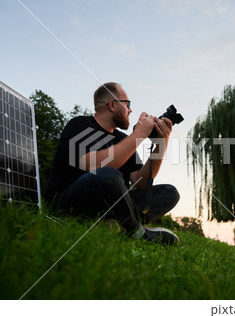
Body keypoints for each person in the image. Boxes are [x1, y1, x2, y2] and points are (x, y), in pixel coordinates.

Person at [44, 82, 180, 244]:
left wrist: (161, 144)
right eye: (127, 104)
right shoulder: (80, 125)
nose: (130, 110)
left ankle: (113, 223)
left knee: (169, 192)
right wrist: (138, 135)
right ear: (112, 105)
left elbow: (142, 182)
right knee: (108, 174)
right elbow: (96, 166)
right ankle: (137, 232)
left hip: (108, 206)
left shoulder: (122, 139)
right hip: (68, 202)